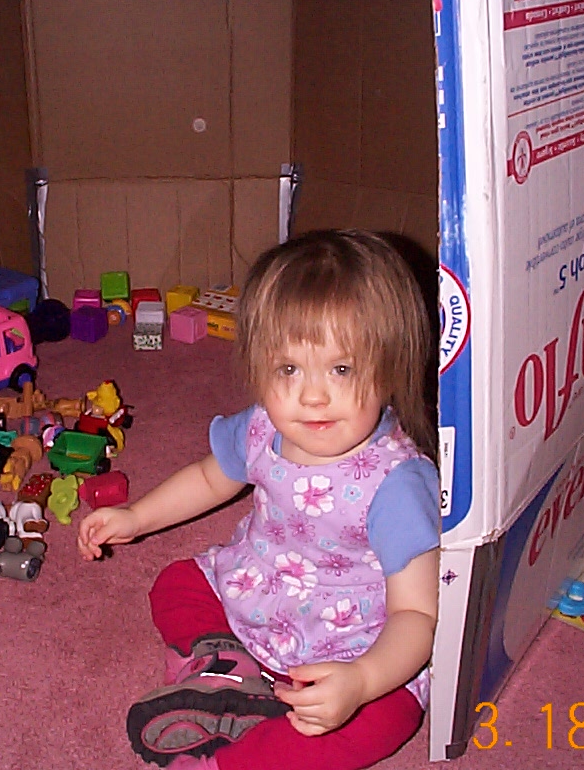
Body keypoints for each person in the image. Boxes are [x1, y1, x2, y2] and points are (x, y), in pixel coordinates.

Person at [76, 229, 441, 770]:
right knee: (176, 582)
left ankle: (233, 758)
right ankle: (226, 666)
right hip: (257, 588)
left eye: (341, 369)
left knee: (387, 718)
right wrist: (137, 516)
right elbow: (209, 479)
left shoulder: (397, 483)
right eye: (288, 369)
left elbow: (416, 613)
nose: (312, 395)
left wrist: (362, 681)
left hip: (352, 640)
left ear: (390, 367)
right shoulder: (262, 427)